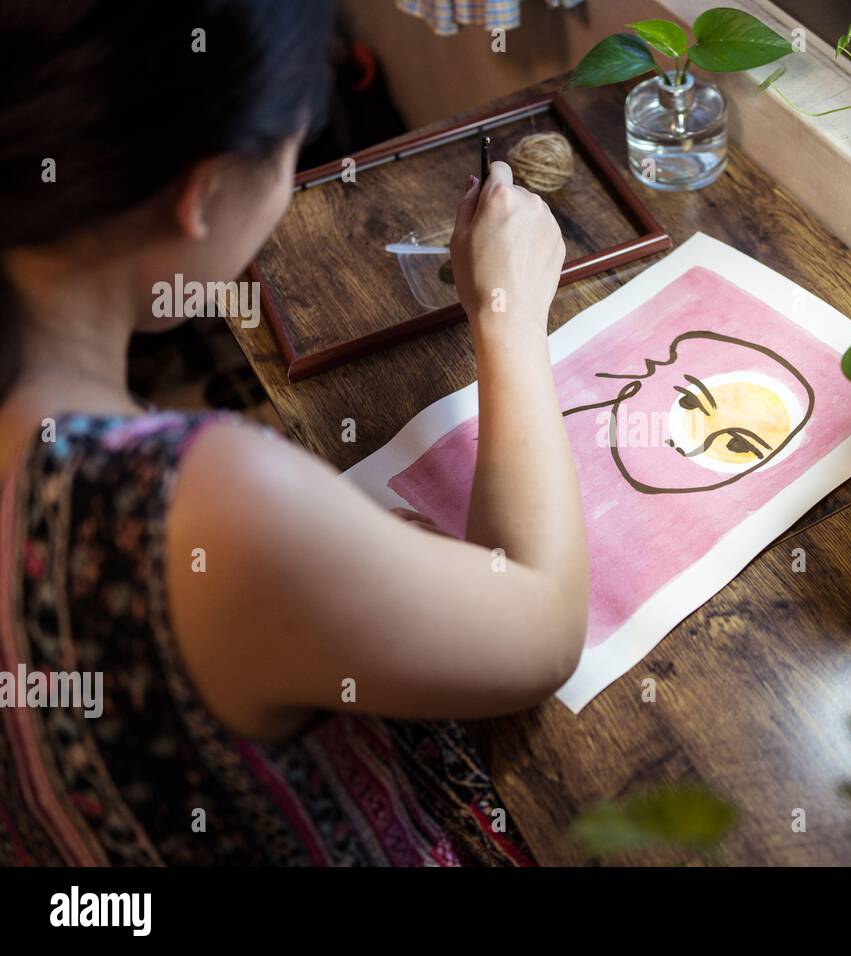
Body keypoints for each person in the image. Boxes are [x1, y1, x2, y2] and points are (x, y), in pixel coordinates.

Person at [0, 0, 587, 865]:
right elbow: (543, 628)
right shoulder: (193, 507)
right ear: (202, 195)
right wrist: (507, 314)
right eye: (292, 146)